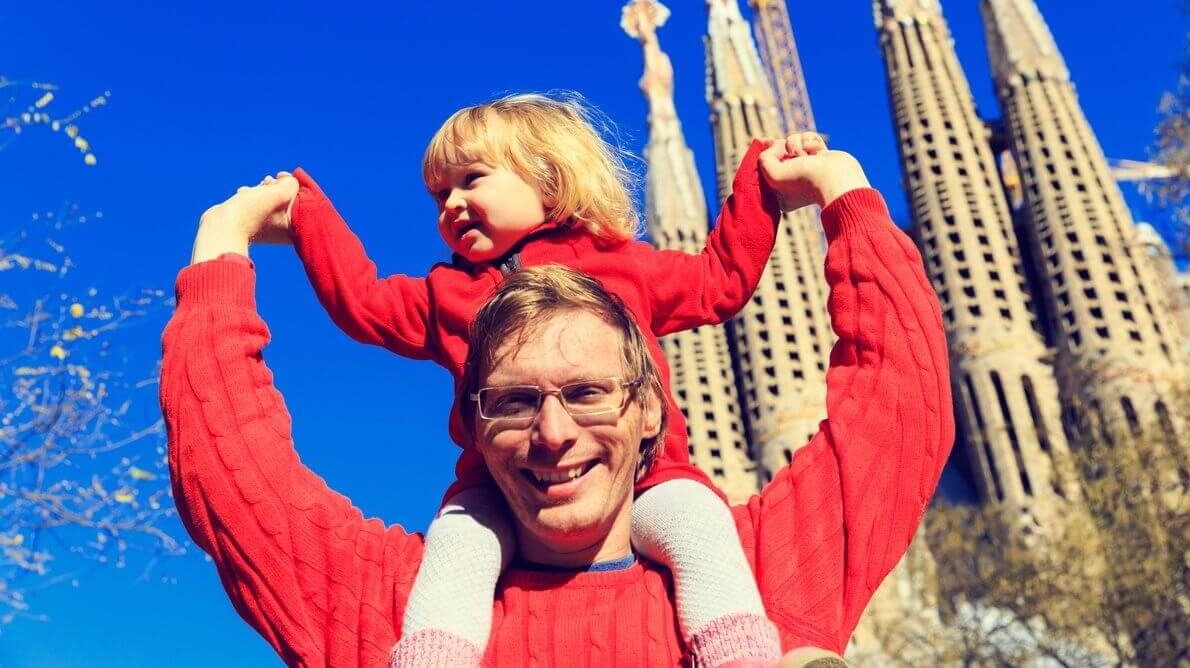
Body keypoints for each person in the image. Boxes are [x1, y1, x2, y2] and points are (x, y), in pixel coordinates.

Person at [163, 137, 954, 666]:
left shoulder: (764, 579)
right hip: (456, 581)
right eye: (510, 402)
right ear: (473, 421)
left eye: (587, 393)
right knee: (463, 537)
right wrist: (227, 244)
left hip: (697, 534)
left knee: (697, 521)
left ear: (650, 408)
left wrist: (835, 194)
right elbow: (232, 474)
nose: (552, 432)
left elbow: (898, 405)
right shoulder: (403, 611)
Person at [276, 94, 787, 665]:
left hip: (649, 478)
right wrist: (308, 217)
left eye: (471, 179)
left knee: (701, 528)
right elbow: (364, 303)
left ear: (548, 178)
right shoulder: (448, 294)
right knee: (456, 547)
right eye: (440, 194)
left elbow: (719, 279)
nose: (453, 203)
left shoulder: (621, 265)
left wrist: (763, 182)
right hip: (500, 495)